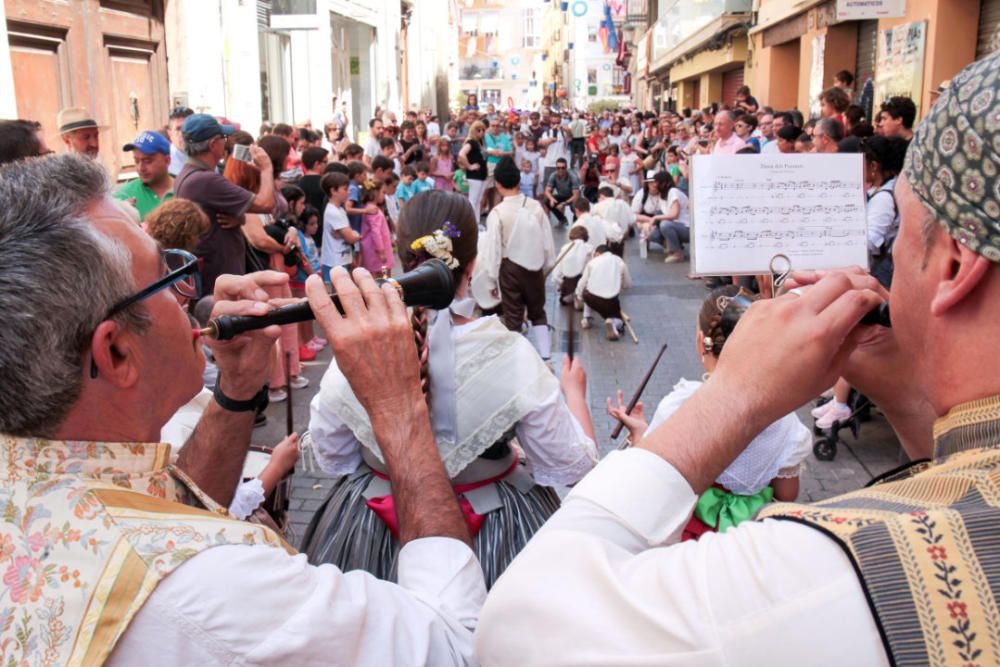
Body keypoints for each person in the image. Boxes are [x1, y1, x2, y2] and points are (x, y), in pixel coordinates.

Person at [476, 52, 1000, 666]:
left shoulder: (842, 569)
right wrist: (912, 406)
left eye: (903, 229)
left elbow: (523, 631)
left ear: (957, 266)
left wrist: (735, 393)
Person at [0, 152, 486, 665]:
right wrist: (399, 405)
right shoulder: (217, 591)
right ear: (116, 351)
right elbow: (456, 644)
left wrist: (237, 388)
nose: (196, 296)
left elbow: (164, 518)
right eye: (167, 276)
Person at [304, 189, 598, 588]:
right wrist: (575, 394)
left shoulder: (360, 345)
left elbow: (333, 453)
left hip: (370, 526)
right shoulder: (511, 354)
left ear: (397, 254)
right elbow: (571, 465)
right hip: (495, 530)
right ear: (472, 266)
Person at [609, 285, 811, 539]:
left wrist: (640, 433)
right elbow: (787, 494)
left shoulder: (679, 405)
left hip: (685, 537)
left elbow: (658, 477)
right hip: (750, 539)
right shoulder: (783, 418)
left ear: (701, 342)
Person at [173, 114, 275, 295]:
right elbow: (266, 203)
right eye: (224, 139)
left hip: (215, 276)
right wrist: (266, 168)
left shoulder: (189, 174)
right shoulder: (205, 180)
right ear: (213, 144)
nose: (226, 144)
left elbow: (213, 214)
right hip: (219, 279)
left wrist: (239, 217)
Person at [476, 157, 556, 361]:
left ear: (498, 184)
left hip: (509, 270)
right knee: (538, 312)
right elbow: (548, 244)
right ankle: (546, 357)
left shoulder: (497, 213)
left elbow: (493, 250)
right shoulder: (536, 207)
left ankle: (517, 361)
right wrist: (546, 269)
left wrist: (491, 279)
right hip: (535, 267)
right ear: (520, 181)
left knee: (513, 317)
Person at [113, 131, 174, 220]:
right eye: (136, 161)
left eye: (147, 161)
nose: (140, 168)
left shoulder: (187, 189)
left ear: (167, 160)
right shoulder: (123, 196)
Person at [576, 244, 631, 341]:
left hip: (590, 297)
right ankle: (613, 322)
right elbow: (627, 283)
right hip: (610, 300)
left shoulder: (592, 262)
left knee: (587, 289)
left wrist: (579, 296)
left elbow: (582, 282)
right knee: (620, 320)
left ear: (597, 253)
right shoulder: (619, 262)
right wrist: (618, 286)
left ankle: (587, 318)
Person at [643, 171, 689, 264]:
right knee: (652, 234)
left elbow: (674, 214)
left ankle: (677, 253)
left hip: (686, 227)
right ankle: (674, 246)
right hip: (676, 225)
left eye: (656, 182)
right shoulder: (661, 196)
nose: (654, 185)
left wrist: (656, 218)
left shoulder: (673, 192)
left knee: (665, 224)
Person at [319, 171, 359, 279]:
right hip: (335, 262)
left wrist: (345, 234)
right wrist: (355, 235)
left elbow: (348, 234)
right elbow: (351, 237)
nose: (349, 192)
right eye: (345, 189)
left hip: (341, 259)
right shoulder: (334, 212)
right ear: (333, 191)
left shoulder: (340, 209)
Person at [551, 225, 592, 308]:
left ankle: (571, 295)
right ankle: (580, 296)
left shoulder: (565, 249)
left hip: (568, 284)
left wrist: (560, 285)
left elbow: (556, 274)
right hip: (584, 283)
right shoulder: (590, 249)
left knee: (563, 298)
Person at [359, 179, 393, 275]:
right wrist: (381, 251)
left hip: (375, 248)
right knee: (382, 276)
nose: (384, 195)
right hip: (377, 250)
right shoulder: (373, 210)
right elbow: (376, 232)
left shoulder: (369, 207)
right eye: (382, 192)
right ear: (375, 193)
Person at [457, 121, 488, 220]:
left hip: (481, 174)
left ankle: (476, 222)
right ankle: (471, 222)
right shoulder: (472, 142)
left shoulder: (480, 142)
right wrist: (469, 166)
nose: (482, 132)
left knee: (477, 200)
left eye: (483, 130)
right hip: (475, 175)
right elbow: (461, 154)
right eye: (479, 130)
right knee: (473, 200)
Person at [593, 185, 634, 257]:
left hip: (604, 241)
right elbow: (631, 221)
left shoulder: (598, 206)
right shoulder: (623, 204)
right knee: (618, 261)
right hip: (620, 240)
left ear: (602, 196)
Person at [543, 157, 580, 226]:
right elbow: (547, 190)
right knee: (546, 200)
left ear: (566, 168)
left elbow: (576, 195)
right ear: (556, 168)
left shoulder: (572, 176)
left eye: (563, 168)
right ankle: (562, 219)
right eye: (558, 168)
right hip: (562, 195)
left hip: (572, 197)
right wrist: (551, 199)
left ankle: (576, 222)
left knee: (575, 206)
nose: (560, 170)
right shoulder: (553, 175)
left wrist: (564, 203)